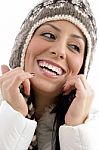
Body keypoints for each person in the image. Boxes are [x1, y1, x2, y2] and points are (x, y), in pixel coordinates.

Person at [0, 0, 99, 149]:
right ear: (23, 46)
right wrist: (12, 115)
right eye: (49, 35)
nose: (59, 51)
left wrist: (76, 130)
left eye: (74, 46)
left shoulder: (92, 131)